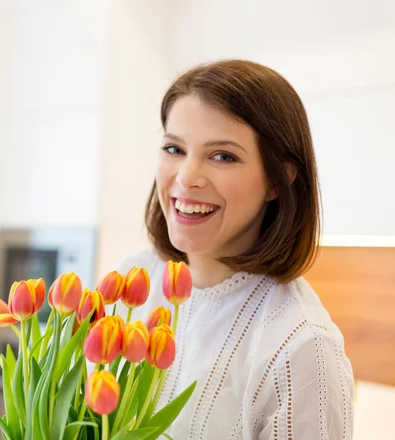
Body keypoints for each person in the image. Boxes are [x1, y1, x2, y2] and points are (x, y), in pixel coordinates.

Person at [114, 60, 354, 439]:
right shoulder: (131, 284)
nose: (187, 177)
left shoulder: (301, 348)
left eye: (223, 156)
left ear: (278, 181)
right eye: (174, 148)